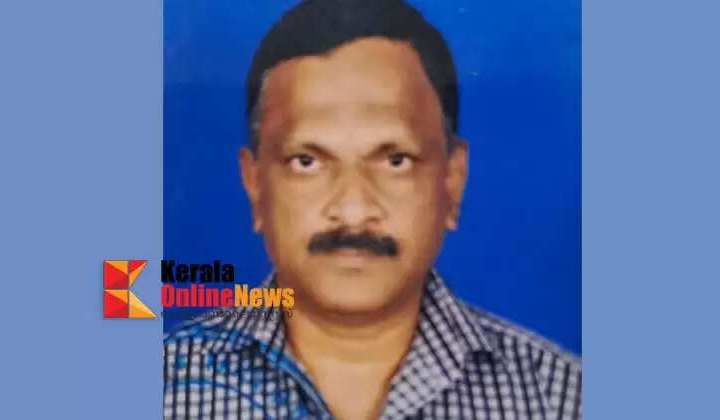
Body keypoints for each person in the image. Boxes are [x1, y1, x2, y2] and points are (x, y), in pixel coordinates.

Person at [163, 0, 581, 418]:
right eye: (307, 162)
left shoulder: (562, 399)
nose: (353, 210)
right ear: (254, 183)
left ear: (452, 181)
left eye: (395, 160)